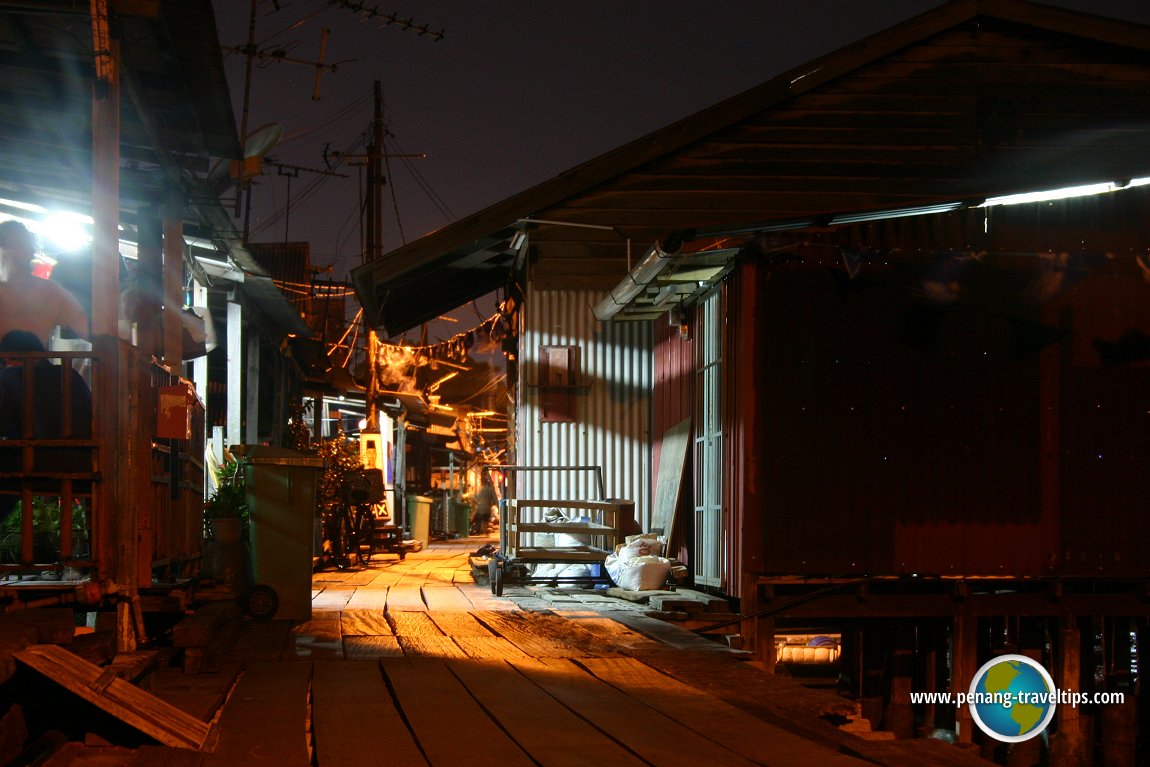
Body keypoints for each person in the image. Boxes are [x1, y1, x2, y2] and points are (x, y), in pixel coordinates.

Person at [0, 330, 94, 527]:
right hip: (84, 465)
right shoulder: (71, 375)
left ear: (8, 356)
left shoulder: (8, 377)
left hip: (36, 465)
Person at [0, 220, 89, 347]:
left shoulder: (51, 293)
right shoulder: (50, 292)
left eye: (26, 245)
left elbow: (90, 331)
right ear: (3, 247)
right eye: (21, 244)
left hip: (32, 366)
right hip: (31, 365)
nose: (31, 250)